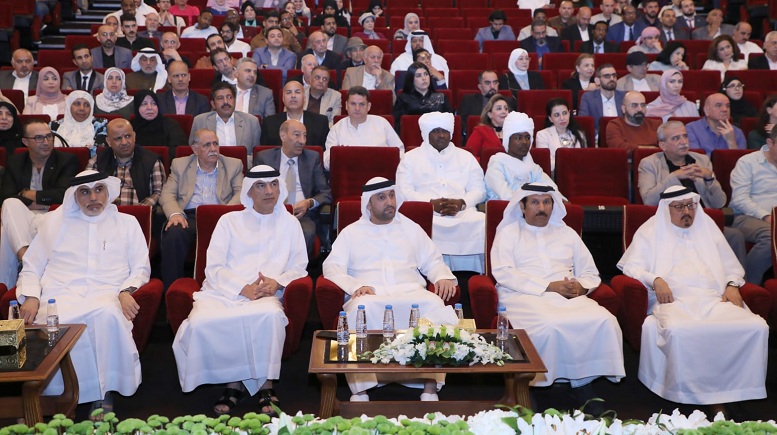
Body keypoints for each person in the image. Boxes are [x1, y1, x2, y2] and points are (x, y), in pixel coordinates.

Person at [617, 185, 768, 413]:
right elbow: (631, 266)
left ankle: (732, 389)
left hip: (713, 299)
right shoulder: (651, 231)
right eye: (679, 207)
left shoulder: (707, 228)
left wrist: (731, 284)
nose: (686, 211)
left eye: (690, 205)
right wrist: (655, 278)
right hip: (675, 301)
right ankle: (695, 395)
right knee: (679, 330)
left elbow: (731, 267)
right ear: (667, 209)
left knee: (755, 326)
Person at [171, 164, 306, 416]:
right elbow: (214, 267)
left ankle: (266, 384)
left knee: (270, 317)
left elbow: (299, 266)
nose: (269, 191)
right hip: (224, 291)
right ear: (249, 192)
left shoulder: (290, 224)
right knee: (200, 321)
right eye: (261, 186)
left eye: (274, 184)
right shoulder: (229, 221)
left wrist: (277, 282)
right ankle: (233, 381)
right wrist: (242, 288)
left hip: (267, 294)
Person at [17, 170, 150, 415]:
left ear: (108, 193)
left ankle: (104, 392)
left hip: (106, 293)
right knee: (53, 320)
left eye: (99, 190)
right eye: (85, 192)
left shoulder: (127, 224)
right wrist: (32, 296)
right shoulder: (54, 223)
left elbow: (141, 267)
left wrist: (126, 291)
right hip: (60, 294)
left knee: (107, 314)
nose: (93, 197)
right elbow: (32, 266)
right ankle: (55, 397)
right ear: (74, 197)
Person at [322, 177, 459, 403]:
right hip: (370, 295)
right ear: (368, 204)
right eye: (382, 197)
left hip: (411, 292)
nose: (389, 202)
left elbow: (432, 260)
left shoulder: (411, 228)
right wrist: (356, 286)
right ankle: (361, 389)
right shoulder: (351, 233)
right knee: (359, 309)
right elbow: (332, 267)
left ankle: (429, 384)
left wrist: (442, 276)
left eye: (392, 195)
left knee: (435, 305)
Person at [491, 183, 624, 412]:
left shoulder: (567, 233)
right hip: (522, 294)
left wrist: (581, 287)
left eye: (546, 202)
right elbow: (503, 273)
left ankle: (582, 381)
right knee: (549, 325)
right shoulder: (508, 233)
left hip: (567, 296)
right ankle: (530, 385)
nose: (541, 207)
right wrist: (547, 286)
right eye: (534, 202)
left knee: (604, 320)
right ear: (522, 207)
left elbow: (590, 271)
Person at [638, 121, 747, 265]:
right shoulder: (649, 163)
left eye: (685, 136)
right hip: (670, 224)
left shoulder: (701, 160)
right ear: (663, 145)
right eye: (676, 138)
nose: (683, 142)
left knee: (735, 236)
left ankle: (737, 283)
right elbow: (648, 200)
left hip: (703, 221)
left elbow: (720, 203)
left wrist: (709, 178)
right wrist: (674, 177)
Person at [396, 112, 486, 273]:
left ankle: (470, 277)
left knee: (480, 221)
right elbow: (404, 191)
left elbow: (479, 190)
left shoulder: (466, 157)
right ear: (426, 134)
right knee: (412, 225)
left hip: (462, 213)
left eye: (445, 131)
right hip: (426, 214)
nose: (442, 135)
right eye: (436, 131)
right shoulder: (410, 158)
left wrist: (462, 203)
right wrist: (429, 204)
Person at [159, 129, 243, 290]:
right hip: (190, 216)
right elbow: (167, 193)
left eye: (216, 144)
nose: (213, 149)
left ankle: (231, 288)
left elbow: (241, 192)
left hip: (221, 214)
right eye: (207, 145)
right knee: (174, 233)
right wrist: (175, 214)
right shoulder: (180, 164)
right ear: (195, 149)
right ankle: (172, 290)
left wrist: (225, 215)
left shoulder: (233, 164)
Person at [0, 120, 79, 288]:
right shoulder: (15, 161)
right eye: (39, 138)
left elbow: (64, 194)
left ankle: (7, 285)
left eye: (49, 137)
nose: (46, 142)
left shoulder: (66, 160)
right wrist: (41, 200)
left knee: (6, 231)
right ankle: (25, 256)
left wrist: (27, 194)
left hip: (52, 215)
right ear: (25, 142)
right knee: (10, 205)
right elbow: (7, 196)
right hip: (22, 215)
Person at [254, 120, 331, 254]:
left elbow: (325, 193)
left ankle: (296, 272)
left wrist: (308, 203)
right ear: (283, 136)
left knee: (305, 233)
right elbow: (254, 190)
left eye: (305, 136)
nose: (302, 141)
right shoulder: (265, 158)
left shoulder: (312, 158)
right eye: (297, 135)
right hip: (270, 212)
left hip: (302, 215)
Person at [729, 127, 777, 284]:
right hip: (747, 216)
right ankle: (746, 284)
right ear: (770, 142)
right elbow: (739, 198)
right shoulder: (747, 162)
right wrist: (766, 216)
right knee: (770, 236)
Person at [89, 119, 166, 207]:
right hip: (105, 214)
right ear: (109, 141)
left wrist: (139, 211)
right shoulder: (97, 160)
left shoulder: (152, 161)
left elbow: (158, 192)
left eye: (128, 136)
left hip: (139, 216)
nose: (124, 142)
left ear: (134, 136)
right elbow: (87, 189)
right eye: (118, 138)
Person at [325, 87, 403, 170]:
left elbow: (400, 151)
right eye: (353, 104)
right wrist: (341, 155)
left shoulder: (382, 123)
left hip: (380, 176)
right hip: (348, 176)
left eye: (362, 104)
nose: (357, 108)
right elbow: (326, 162)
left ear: (368, 106)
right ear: (346, 105)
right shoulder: (336, 129)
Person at [485, 112, 557, 200]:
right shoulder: (497, 165)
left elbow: (552, 188)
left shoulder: (532, 167)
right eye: (518, 138)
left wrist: (559, 199)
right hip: (503, 211)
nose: (524, 142)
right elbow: (506, 196)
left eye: (527, 137)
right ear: (508, 141)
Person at [190, 82, 262, 158]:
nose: (226, 102)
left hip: (242, 167)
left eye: (229, 97)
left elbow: (256, 156)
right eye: (220, 98)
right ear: (213, 104)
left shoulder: (252, 122)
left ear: (235, 100)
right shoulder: (200, 121)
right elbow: (193, 153)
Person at [260, 81, 330, 147]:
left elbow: (324, 153)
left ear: (304, 98)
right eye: (288, 92)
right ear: (283, 99)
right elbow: (265, 154)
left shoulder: (320, 122)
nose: (293, 96)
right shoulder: (269, 123)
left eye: (297, 92)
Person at [392, 63, 452, 136]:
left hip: (438, 138)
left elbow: (449, 122)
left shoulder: (440, 97)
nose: (424, 78)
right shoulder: (403, 98)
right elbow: (397, 125)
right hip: (411, 136)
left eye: (426, 74)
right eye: (418, 76)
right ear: (411, 79)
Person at [536, 98, 587, 173]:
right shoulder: (542, 135)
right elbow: (546, 164)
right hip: (553, 176)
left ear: (569, 113)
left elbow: (585, 160)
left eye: (565, 113)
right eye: (557, 115)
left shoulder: (579, 134)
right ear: (550, 118)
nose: (562, 118)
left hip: (578, 175)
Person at [50, 91, 108, 156]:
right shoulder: (54, 126)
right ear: (69, 106)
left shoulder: (100, 125)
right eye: (77, 104)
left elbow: (100, 152)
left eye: (86, 105)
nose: (82, 108)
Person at [131, 90, 187, 157]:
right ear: (137, 107)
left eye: (153, 103)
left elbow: (179, 151)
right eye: (144, 104)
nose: (149, 108)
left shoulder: (170, 124)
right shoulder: (130, 127)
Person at [579, 64, 625, 138]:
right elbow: (584, 123)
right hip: (598, 140)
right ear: (597, 81)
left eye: (614, 75)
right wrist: (600, 137)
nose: (612, 79)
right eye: (607, 76)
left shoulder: (625, 97)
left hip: (623, 138)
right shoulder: (588, 98)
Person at [465, 94, 512, 159]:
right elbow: (468, 156)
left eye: (506, 108)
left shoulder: (513, 132)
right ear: (490, 114)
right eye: (499, 108)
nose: (504, 112)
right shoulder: (480, 131)